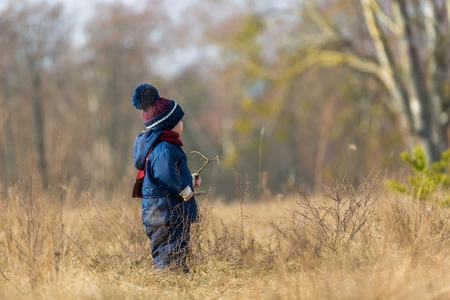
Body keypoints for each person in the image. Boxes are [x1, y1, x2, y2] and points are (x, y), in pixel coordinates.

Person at [132, 83, 201, 273]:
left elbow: (168, 176)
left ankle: (173, 285)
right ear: (168, 125)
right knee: (169, 258)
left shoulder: (162, 147)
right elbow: (165, 174)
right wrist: (185, 189)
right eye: (180, 121)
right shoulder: (164, 149)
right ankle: (170, 287)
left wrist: (190, 180)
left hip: (165, 213)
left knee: (173, 254)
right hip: (167, 215)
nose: (183, 124)